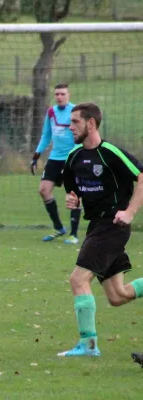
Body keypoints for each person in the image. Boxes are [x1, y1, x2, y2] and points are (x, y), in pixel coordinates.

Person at [57, 102, 143, 357]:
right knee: (118, 295)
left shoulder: (111, 153)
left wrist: (130, 212)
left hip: (113, 226)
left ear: (91, 123)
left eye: (75, 122)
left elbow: (141, 177)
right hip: (96, 226)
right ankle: (88, 345)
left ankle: (88, 345)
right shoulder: (74, 157)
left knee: (78, 279)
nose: (70, 126)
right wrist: (74, 200)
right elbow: (75, 192)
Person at [31, 83, 80, 244]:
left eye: (62, 94)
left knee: (72, 195)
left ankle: (73, 234)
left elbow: (81, 135)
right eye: (57, 94)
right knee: (44, 190)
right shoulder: (51, 112)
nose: (59, 97)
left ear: (68, 95)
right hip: (55, 158)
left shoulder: (76, 112)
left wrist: (79, 155)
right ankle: (59, 227)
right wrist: (36, 156)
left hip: (71, 158)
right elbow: (46, 135)